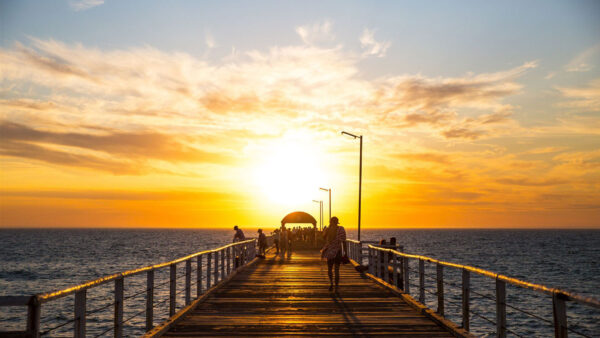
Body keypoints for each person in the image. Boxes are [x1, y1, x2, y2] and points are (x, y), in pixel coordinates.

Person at [321, 216, 347, 292]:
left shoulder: (327, 229)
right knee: (336, 270)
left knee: (329, 269)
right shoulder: (341, 229)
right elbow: (344, 241)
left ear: (330, 222)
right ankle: (336, 286)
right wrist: (345, 252)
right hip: (338, 252)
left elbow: (323, 238)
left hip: (329, 252)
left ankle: (331, 283)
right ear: (337, 222)